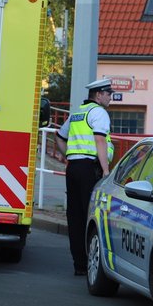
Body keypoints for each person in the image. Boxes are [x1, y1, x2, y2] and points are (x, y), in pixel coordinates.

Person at [56, 78, 114, 276]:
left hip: (73, 168)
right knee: (91, 216)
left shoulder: (78, 113)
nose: (111, 97)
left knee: (75, 216)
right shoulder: (99, 113)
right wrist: (106, 171)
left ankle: (79, 265)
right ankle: (93, 264)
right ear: (98, 95)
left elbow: (59, 137)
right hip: (89, 169)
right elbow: (100, 140)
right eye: (109, 93)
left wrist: (69, 157)